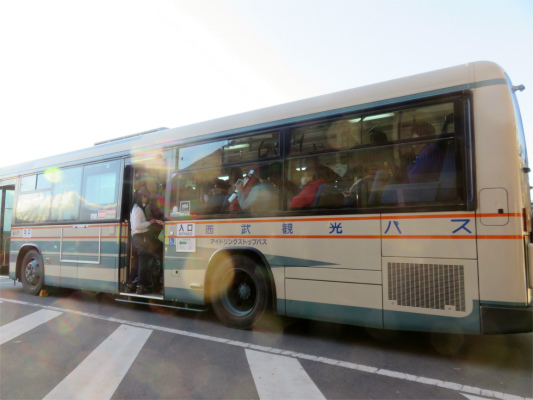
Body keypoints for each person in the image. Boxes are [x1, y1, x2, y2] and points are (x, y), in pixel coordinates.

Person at [125, 188, 164, 294]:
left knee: (137, 262)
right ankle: (141, 286)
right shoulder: (138, 209)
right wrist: (149, 223)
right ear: (142, 197)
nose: (147, 200)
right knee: (144, 262)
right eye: (146, 197)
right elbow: (137, 226)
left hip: (137, 238)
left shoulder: (135, 208)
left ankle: (130, 284)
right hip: (140, 237)